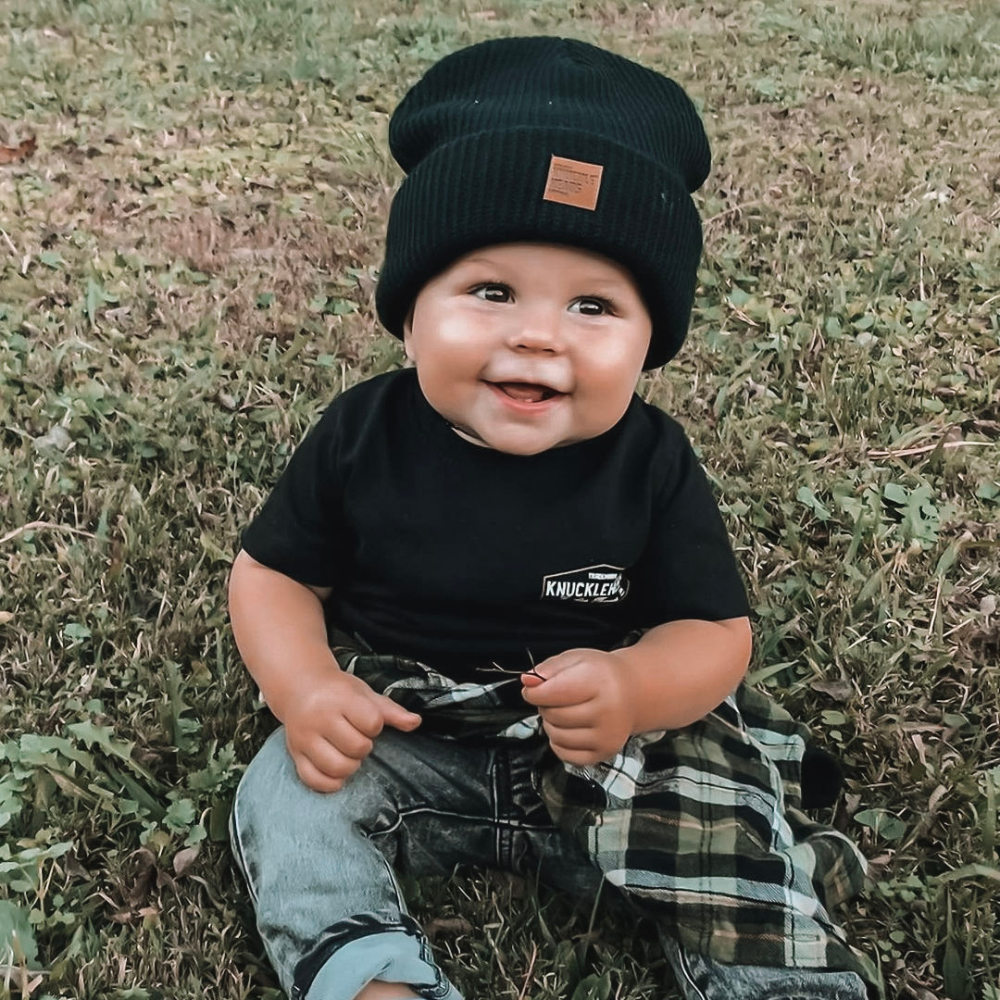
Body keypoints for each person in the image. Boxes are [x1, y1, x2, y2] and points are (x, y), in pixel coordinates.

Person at [227, 36, 881, 1000]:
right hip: (409, 730)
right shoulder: (362, 434)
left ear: (651, 341)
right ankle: (369, 974)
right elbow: (274, 574)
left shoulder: (650, 464)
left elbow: (715, 633)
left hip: (613, 753)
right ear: (410, 315)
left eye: (593, 305)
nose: (537, 333)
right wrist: (308, 687)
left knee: (726, 819)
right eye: (490, 292)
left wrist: (633, 687)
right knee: (286, 792)